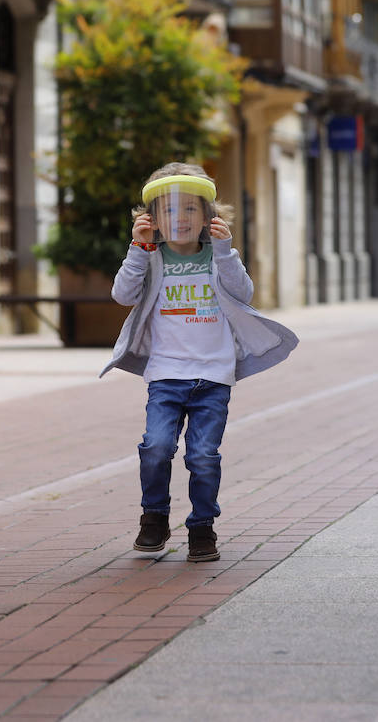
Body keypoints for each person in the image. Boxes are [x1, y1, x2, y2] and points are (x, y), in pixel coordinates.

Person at [100, 163, 298, 562]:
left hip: (213, 376)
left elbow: (242, 292)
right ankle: (154, 518)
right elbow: (123, 295)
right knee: (155, 447)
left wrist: (225, 252)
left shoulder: (218, 256)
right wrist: (137, 249)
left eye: (190, 209)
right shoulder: (151, 258)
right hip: (166, 374)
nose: (180, 218)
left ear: (209, 215)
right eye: (169, 210)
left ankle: (202, 528)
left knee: (202, 455)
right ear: (152, 218)